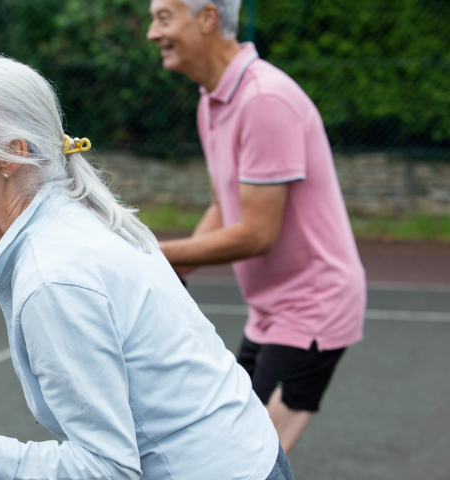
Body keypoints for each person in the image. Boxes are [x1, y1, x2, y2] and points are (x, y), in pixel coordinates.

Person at [0, 52, 293, 480]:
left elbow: (108, 470)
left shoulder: (54, 278)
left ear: (10, 153)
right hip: (251, 455)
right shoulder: (78, 217)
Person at [146, 0, 366, 454]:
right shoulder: (212, 99)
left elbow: (256, 233)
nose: (153, 32)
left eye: (164, 17)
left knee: (250, 454)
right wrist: (172, 270)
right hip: (271, 310)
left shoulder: (265, 100)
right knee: (227, 442)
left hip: (315, 306)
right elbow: (224, 205)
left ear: (208, 18)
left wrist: (152, 256)